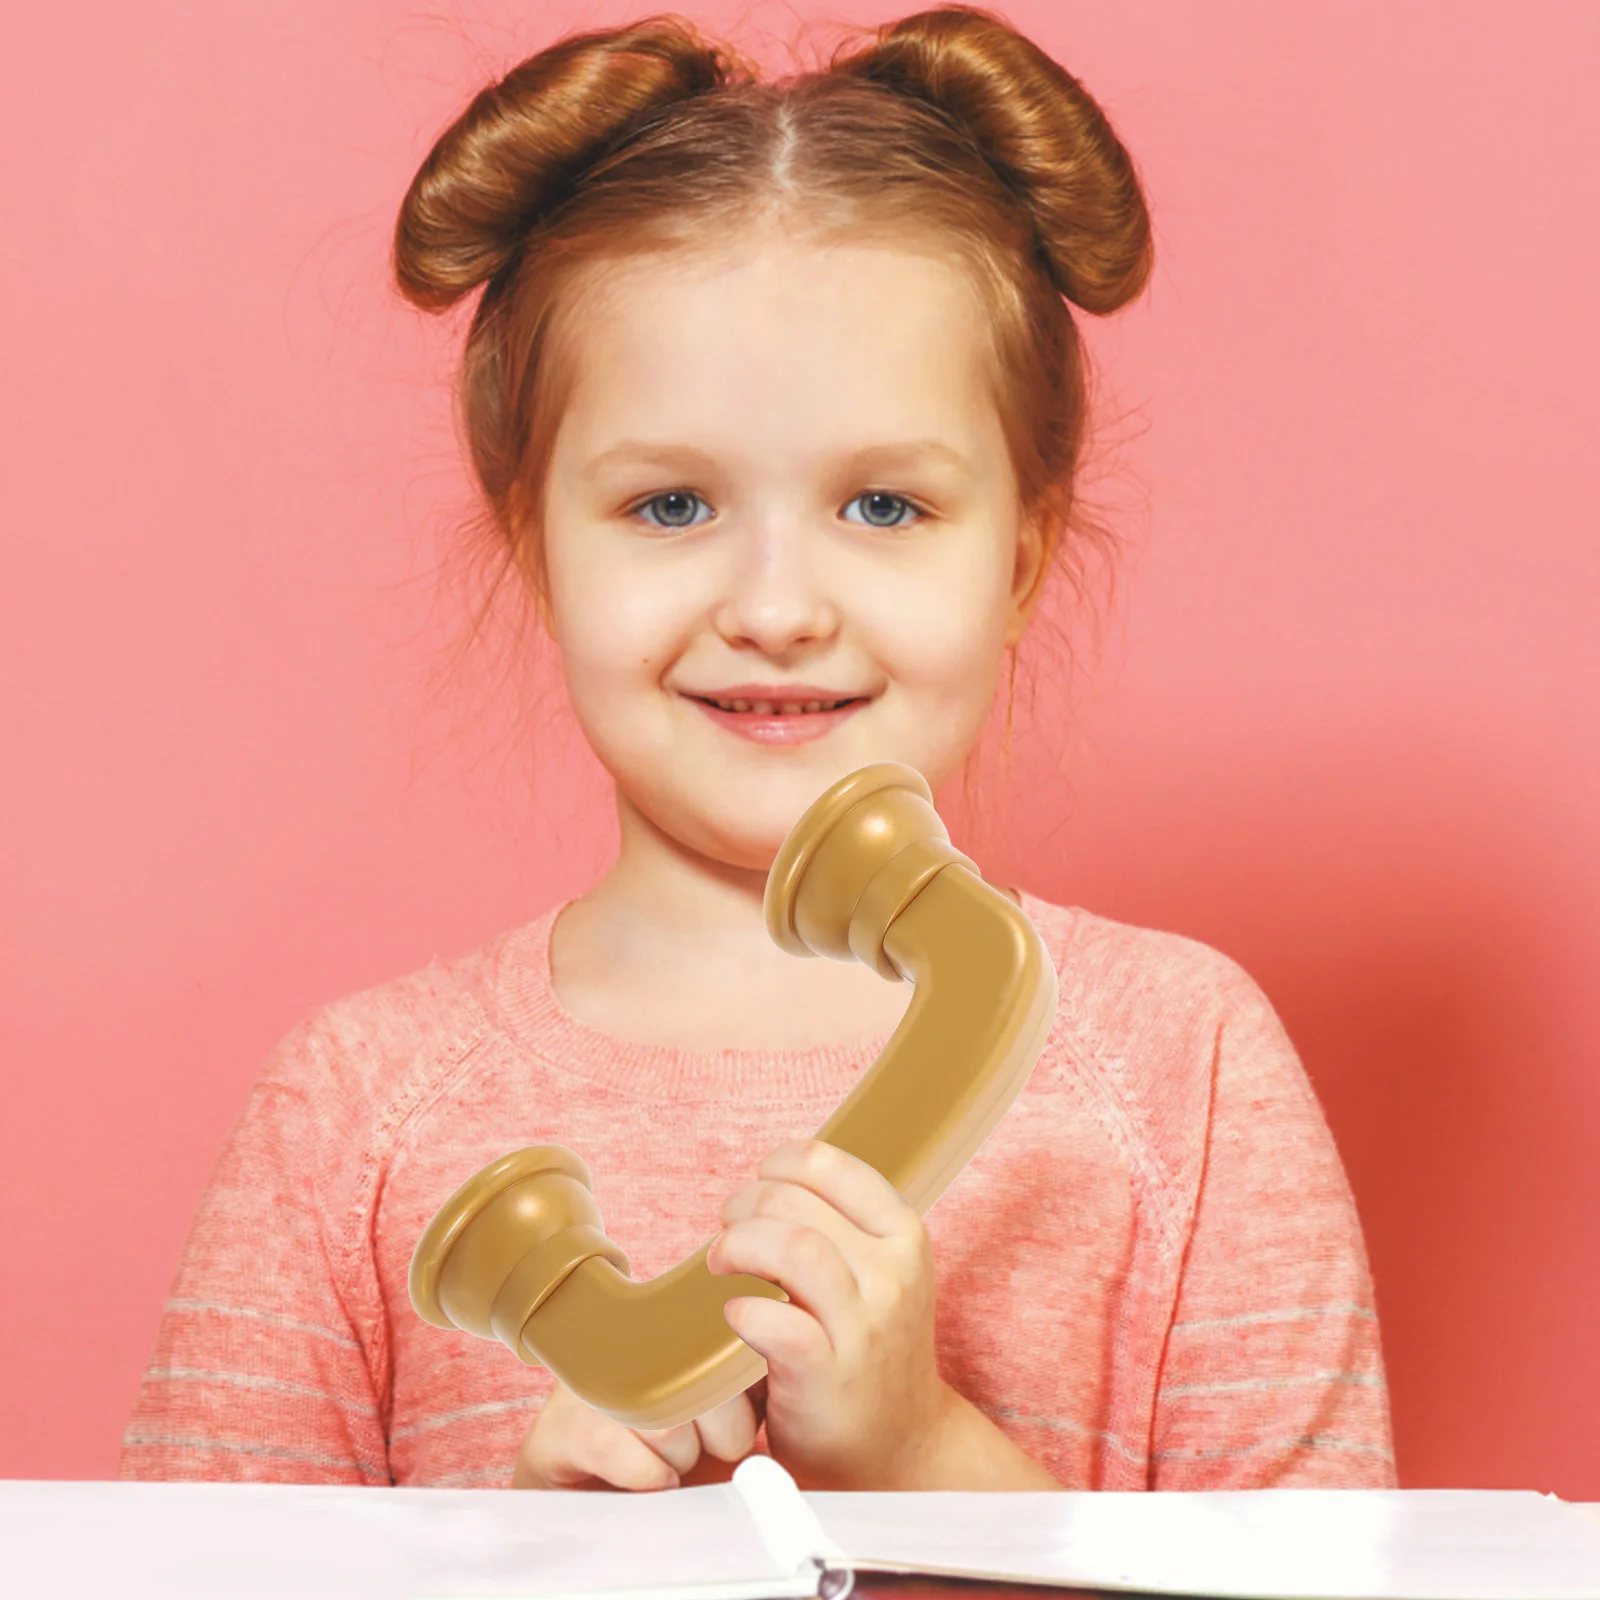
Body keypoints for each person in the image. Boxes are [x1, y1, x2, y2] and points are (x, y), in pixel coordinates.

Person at [120, 5, 1394, 1494]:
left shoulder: (1187, 1070)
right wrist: (520, 1567)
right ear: (537, 546)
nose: (778, 610)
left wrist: (927, 1458)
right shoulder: (351, 1118)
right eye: (671, 507)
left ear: (1024, 559)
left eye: (885, 507)